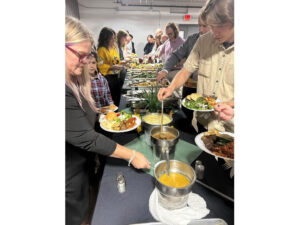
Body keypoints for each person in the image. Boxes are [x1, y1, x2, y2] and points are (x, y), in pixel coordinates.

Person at [65, 16, 151, 225]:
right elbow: (86, 137)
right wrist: (131, 155)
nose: (86, 61)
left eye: (88, 56)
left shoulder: (74, 80)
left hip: (79, 167)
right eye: (81, 55)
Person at [157, 0, 234, 133]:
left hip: (230, 126)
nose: (214, 32)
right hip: (203, 121)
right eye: (211, 26)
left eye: (219, 26)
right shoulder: (203, 41)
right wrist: (171, 88)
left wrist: (230, 104)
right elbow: (186, 69)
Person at [97, 27, 124, 106]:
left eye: (114, 38)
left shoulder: (113, 48)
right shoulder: (101, 50)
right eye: (111, 39)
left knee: (117, 99)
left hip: (116, 77)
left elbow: (116, 61)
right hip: (108, 79)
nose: (113, 41)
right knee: (111, 101)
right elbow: (100, 66)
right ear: (105, 39)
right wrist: (113, 67)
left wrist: (122, 63)